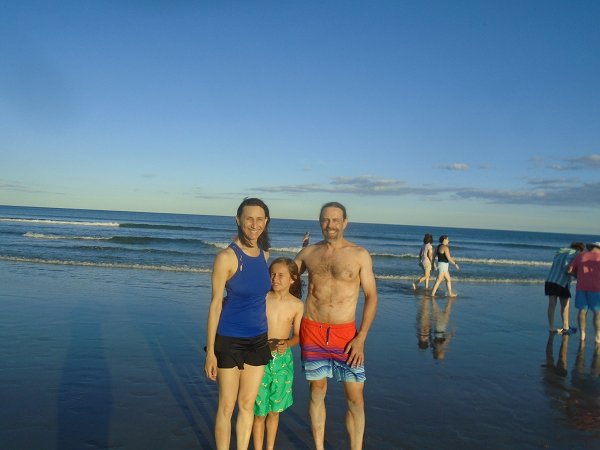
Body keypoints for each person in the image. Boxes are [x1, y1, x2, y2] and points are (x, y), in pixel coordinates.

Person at [295, 202, 378, 450]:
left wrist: (361, 337)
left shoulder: (359, 254)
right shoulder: (308, 254)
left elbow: (371, 296)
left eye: (335, 220)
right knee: (317, 391)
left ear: (345, 223)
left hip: (347, 336)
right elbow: (282, 278)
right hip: (313, 330)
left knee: (355, 398)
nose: (330, 225)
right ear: (319, 221)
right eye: (325, 219)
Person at [204, 198, 273, 450]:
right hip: (229, 340)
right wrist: (210, 352)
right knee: (226, 406)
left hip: (258, 339)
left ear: (266, 222)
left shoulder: (265, 254)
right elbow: (215, 305)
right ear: (238, 220)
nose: (254, 224)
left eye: (259, 219)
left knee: (247, 405)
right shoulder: (226, 257)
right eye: (249, 218)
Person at [252, 257, 304, 450]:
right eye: (272, 274)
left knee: (275, 411)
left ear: (293, 279)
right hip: (259, 357)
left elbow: (298, 336)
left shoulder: (297, 305)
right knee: (259, 412)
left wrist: (287, 343)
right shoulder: (263, 298)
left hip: (282, 361)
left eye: (281, 275)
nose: (275, 278)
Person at [545, 242, 585, 334]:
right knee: (565, 305)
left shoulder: (560, 252)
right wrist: (578, 276)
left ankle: (551, 327)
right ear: (580, 249)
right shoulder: (574, 254)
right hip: (562, 282)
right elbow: (567, 269)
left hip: (550, 280)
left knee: (552, 305)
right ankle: (566, 327)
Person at [568, 242, 600, 344]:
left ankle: (582, 334)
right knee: (597, 312)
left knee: (582, 310)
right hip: (597, 288)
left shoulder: (580, 256)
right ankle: (598, 335)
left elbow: (570, 270)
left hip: (581, 286)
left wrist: (578, 276)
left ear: (591, 247)